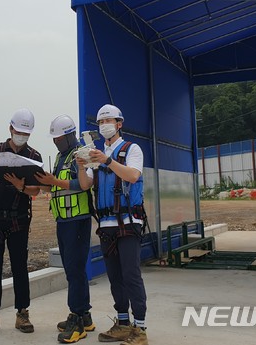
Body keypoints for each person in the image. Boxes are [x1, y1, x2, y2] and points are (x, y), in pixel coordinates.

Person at [75, 104, 148, 345]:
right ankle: (123, 323)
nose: (105, 125)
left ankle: (140, 329)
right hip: (106, 224)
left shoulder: (131, 149)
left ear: (119, 123)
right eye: (101, 122)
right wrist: (81, 165)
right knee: (115, 276)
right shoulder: (96, 154)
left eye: (109, 121)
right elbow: (86, 185)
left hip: (128, 222)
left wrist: (107, 160)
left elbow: (133, 176)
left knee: (131, 274)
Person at [0, 108, 43, 335]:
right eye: (18, 131)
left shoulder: (34, 157)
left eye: (26, 133)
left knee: (19, 267)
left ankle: (22, 313)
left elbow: (39, 189)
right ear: (10, 128)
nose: (21, 136)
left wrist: (21, 187)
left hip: (19, 220)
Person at [35, 115, 95, 344]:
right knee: (73, 270)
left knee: (75, 269)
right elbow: (57, 185)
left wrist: (54, 181)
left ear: (70, 135)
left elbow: (83, 184)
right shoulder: (62, 156)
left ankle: (77, 318)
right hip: (64, 221)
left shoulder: (83, 154)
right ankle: (85, 315)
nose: (56, 142)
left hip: (77, 220)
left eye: (59, 138)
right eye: (54, 138)